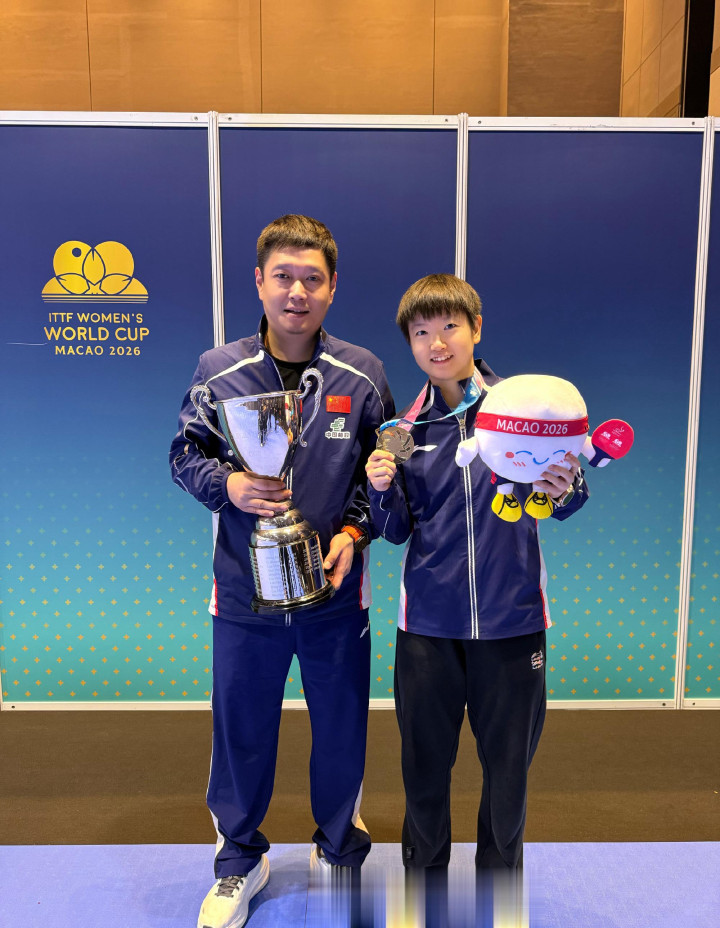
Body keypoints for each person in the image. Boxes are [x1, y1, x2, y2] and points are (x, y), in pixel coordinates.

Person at [170, 215, 393, 928]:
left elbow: (379, 476)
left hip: (335, 596)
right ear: (259, 282)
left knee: (341, 729)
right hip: (245, 595)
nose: (297, 292)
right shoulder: (218, 369)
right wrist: (227, 486)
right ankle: (239, 860)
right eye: (284, 277)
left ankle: (340, 850)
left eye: (312, 279)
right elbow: (183, 454)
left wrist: (356, 531)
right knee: (240, 730)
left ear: (332, 288)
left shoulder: (363, 374)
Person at [365, 273, 589, 878]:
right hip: (428, 628)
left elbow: (569, 499)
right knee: (424, 769)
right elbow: (395, 529)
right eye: (422, 333)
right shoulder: (402, 432)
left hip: (513, 622)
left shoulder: (522, 414)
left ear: (476, 329)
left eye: (450, 327)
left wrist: (564, 488)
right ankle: (424, 886)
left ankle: (499, 890)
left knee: (509, 772)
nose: (437, 343)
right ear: (410, 343)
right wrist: (380, 488)